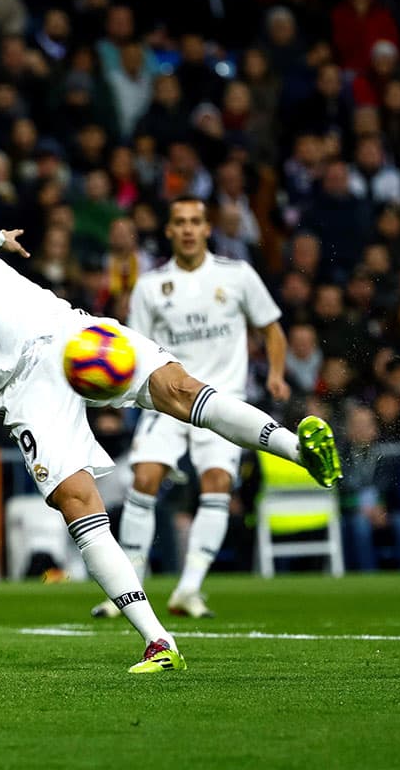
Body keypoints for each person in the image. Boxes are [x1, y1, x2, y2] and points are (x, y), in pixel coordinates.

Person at [0, 162, 342, 674]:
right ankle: (159, 641)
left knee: (179, 388)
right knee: (77, 501)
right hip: (22, 386)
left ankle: (301, 450)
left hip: (68, 333)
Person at [91, 196, 291, 621]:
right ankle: (127, 588)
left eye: (195, 221)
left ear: (206, 228)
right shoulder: (149, 286)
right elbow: (137, 349)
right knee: (143, 479)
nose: (186, 228)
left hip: (223, 402)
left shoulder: (236, 276)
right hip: (167, 400)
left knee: (217, 483)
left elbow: (271, 328)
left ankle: (189, 588)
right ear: (168, 231)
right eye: (178, 221)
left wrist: (275, 374)